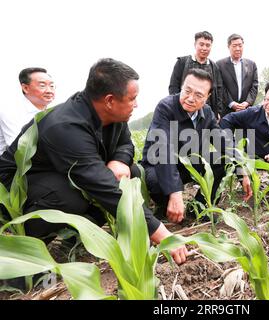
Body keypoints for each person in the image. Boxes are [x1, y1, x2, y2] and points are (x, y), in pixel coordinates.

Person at [0, 58, 188, 265]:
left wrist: (119, 160)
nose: (136, 104)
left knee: (130, 173)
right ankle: (26, 251)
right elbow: (103, 187)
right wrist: (161, 234)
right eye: (132, 98)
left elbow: (125, 144)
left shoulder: (112, 115)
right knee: (71, 197)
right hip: (18, 186)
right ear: (109, 100)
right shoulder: (65, 126)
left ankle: (73, 239)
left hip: (59, 173)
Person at [142, 68, 252, 224]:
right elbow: (162, 149)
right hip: (159, 165)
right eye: (187, 91)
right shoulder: (166, 107)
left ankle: (198, 207)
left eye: (199, 95)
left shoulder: (206, 112)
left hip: (188, 163)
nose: (190, 98)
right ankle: (163, 205)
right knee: (157, 182)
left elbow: (223, 141)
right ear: (182, 86)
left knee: (224, 160)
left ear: (207, 97)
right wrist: (175, 192)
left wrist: (242, 171)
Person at [220, 80, 269, 175]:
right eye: (267, 99)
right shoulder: (251, 113)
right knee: (219, 157)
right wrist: (233, 145)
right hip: (249, 159)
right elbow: (226, 120)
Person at [168, 31, 224, 118]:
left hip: (206, 113)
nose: (204, 48)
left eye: (208, 45)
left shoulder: (214, 67)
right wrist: (177, 108)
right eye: (201, 44)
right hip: (184, 109)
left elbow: (219, 91)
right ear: (195, 45)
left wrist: (217, 112)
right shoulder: (182, 62)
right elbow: (173, 86)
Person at [0, 67, 55, 155]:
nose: (49, 90)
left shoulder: (53, 110)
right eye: (42, 86)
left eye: (52, 86)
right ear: (25, 88)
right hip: (12, 165)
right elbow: (20, 149)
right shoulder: (10, 111)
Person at [216, 34, 258, 116]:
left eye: (240, 45)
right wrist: (231, 103)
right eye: (234, 46)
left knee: (247, 129)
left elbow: (254, 86)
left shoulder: (251, 64)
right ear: (228, 47)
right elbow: (220, 87)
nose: (237, 49)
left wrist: (247, 102)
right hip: (226, 110)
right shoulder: (219, 65)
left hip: (246, 109)